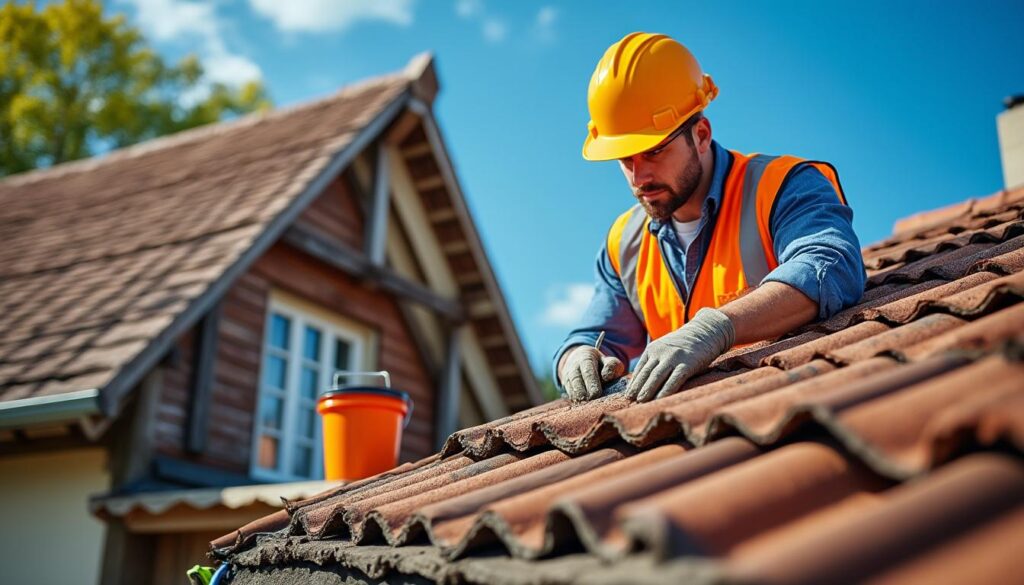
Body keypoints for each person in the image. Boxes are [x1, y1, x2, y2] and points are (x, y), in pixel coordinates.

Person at [554, 32, 866, 403]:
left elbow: (830, 267)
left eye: (653, 151)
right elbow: (594, 335)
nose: (639, 178)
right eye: (625, 159)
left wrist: (718, 328)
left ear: (701, 135)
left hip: (800, 399)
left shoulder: (782, 185)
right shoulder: (624, 244)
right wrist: (576, 358)